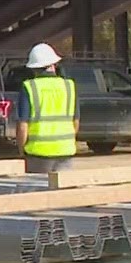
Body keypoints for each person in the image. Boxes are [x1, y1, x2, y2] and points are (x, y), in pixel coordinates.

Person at [16, 43, 78, 173]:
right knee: (63, 192)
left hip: (38, 154)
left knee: (38, 190)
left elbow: (23, 125)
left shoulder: (29, 87)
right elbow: (75, 122)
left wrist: (22, 150)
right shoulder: (69, 86)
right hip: (65, 152)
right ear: (53, 65)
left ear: (34, 68)